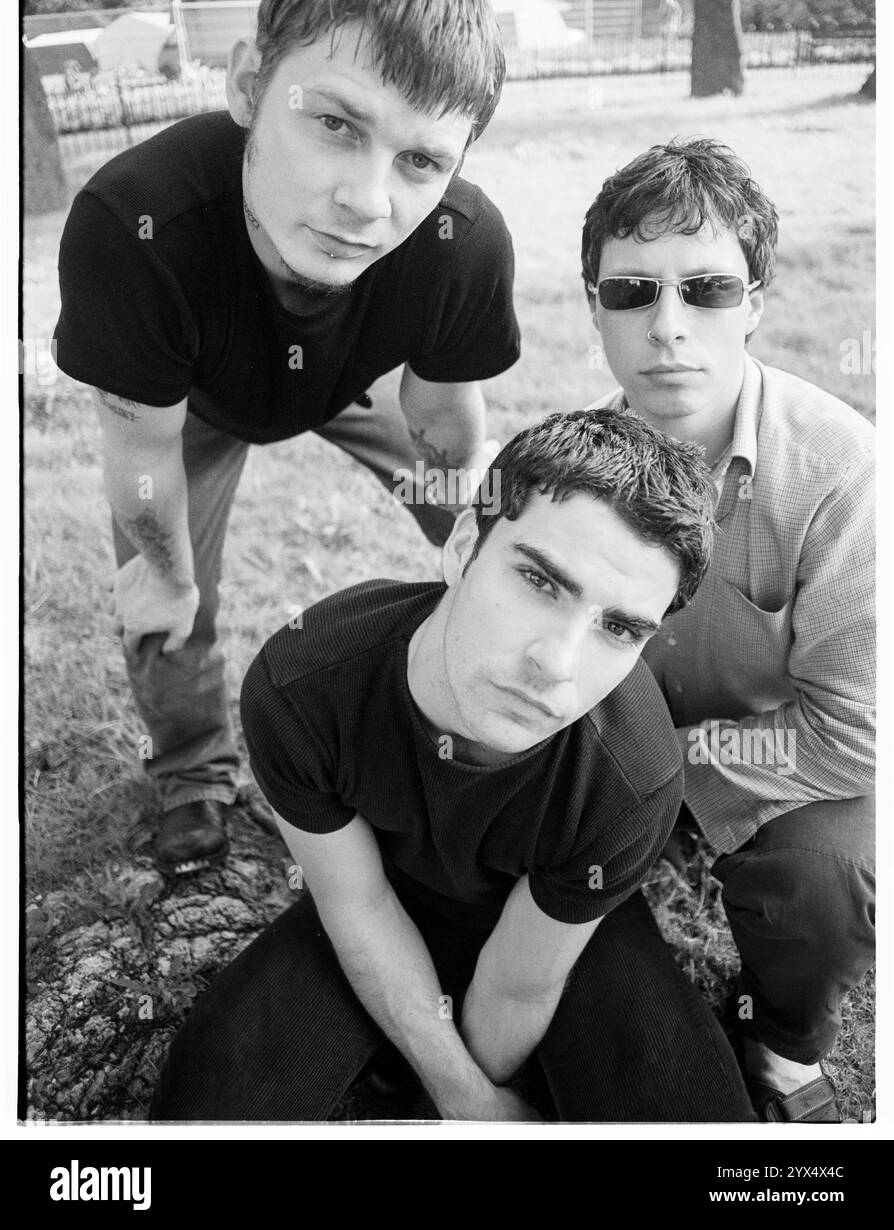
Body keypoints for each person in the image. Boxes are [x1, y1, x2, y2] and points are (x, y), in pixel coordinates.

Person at [53, 0, 519, 877]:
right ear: (248, 83)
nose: (367, 201)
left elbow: (442, 418)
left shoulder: (461, 244)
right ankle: (190, 772)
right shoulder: (133, 227)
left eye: (422, 160)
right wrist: (168, 567)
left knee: (499, 539)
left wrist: (473, 523)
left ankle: (505, 726)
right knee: (165, 590)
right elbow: (139, 452)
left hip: (352, 383)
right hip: (196, 405)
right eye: (335, 123)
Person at [150, 408, 756, 1123]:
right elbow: (356, 902)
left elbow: (520, 986)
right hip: (382, 891)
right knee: (205, 1115)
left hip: (555, 920)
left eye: (619, 627)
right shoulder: (303, 685)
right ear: (465, 544)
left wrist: (472, 1097)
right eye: (539, 581)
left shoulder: (632, 774)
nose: (555, 666)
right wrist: (457, 1089)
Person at [581, 138, 875, 1122]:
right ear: (594, 306)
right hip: (622, 747)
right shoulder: (565, 470)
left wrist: (670, 773)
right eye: (631, 293)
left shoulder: (841, 470)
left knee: (830, 877)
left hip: (789, 759)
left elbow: (856, 736)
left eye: (707, 290)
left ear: (754, 302)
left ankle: (785, 1045)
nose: (667, 329)